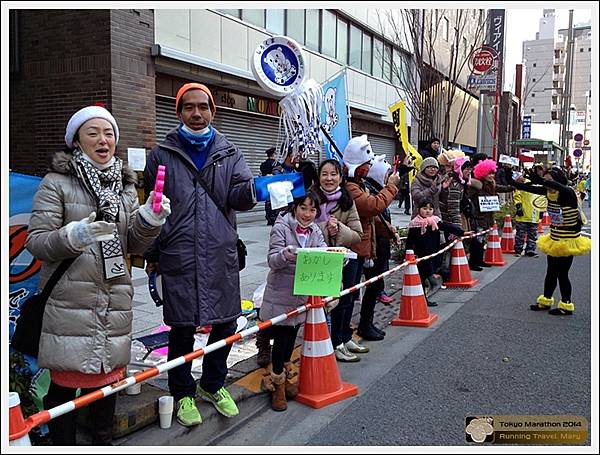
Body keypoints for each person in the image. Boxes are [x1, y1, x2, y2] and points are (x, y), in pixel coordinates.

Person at [25, 106, 169, 445]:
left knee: (107, 389)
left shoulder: (124, 186)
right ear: (76, 139)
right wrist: (72, 237)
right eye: (92, 133)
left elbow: (132, 242)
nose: (102, 140)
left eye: (108, 134)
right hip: (69, 304)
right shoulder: (57, 183)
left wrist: (149, 219)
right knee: (64, 396)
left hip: (114, 301)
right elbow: (36, 242)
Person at [144, 83, 256, 427]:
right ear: (179, 112)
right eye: (189, 107)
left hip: (219, 251)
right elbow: (149, 207)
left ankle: (212, 384)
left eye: (203, 107)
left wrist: (258, 190)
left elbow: (240, 196)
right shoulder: (161, 153)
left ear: (212, 111)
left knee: (224, 322)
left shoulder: (229, 152)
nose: (197, 113)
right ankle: (181, 393)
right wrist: (152, 253)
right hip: (179, 253)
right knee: (181, 327)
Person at [259, 193, 327, 411]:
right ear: (294, 207)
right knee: (281, 340)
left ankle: (285, 375)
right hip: (281, 296)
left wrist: (339, 259)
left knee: (291, 339)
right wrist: (286, 254)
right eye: (303, 208)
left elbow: (324, 253)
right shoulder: (281, 227)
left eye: (312, 210)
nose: (307, 214)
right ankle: (277, 384)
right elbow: (272, 260)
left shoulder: (316, 230)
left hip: (302, 295)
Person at [507, 167, 591, 315]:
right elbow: (529, 188)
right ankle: (546, 300)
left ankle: (566, 304)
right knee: (551, 272)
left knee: (562, 273)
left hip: (567, 241)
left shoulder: (568, 193)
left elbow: (560, 187)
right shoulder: (549, 192)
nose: (546, 184)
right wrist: (512, 182)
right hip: (554, 238)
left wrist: (542, 180)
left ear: (558, 181)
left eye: (549, 181)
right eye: (545, 180)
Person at [344, 135, 400, 352]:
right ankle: (343, 334)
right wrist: (392, 188)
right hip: (357, 246)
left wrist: (389, 229)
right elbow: (373, 207)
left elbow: (375, 215)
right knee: (350, 294)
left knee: (365, 288)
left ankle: (354, 329)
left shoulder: (361, 185)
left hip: (370, 244)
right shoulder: (354, 187)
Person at [359, 154, 408, 337]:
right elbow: (375, 210)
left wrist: (390, 229)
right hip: (373, 243)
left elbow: (380, 216)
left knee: (375, 285)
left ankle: (368, 323)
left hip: (380, 240)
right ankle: (365, 325)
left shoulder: (376, 188)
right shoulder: (370, 190)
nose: (389, 178)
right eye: (387, 174)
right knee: (372, 286)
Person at [406, 199, 464, 307]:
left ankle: (423, 297)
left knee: (428, 273)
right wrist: (409, 254)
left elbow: (447, 227)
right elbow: (410, 241)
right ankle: (423, 299)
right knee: (422, 277)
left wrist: (461, 232)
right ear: (418, 210)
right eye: (424, 208)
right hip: (420, 256)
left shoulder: (435, 221)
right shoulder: (415, 224)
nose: (427, 211)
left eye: (430, 209)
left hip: (433, 253)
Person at [513, 173, 545, 257]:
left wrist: (541, 211)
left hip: (534, 214)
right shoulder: (524, 183)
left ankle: (530, 250)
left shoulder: (540, 185)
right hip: (523, 213)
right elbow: (517, 195)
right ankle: (518, 250)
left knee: (533, 234)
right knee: (521, 234)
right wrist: (518, 206)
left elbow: (542, 199)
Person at [261, 147, 279, 226]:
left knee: (267, 202)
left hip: (266, 185)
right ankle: (274, 217)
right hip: (275, 185)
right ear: (273, 154)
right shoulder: (277, 164)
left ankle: (268, 218)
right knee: (275, 201)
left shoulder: (263, 165)